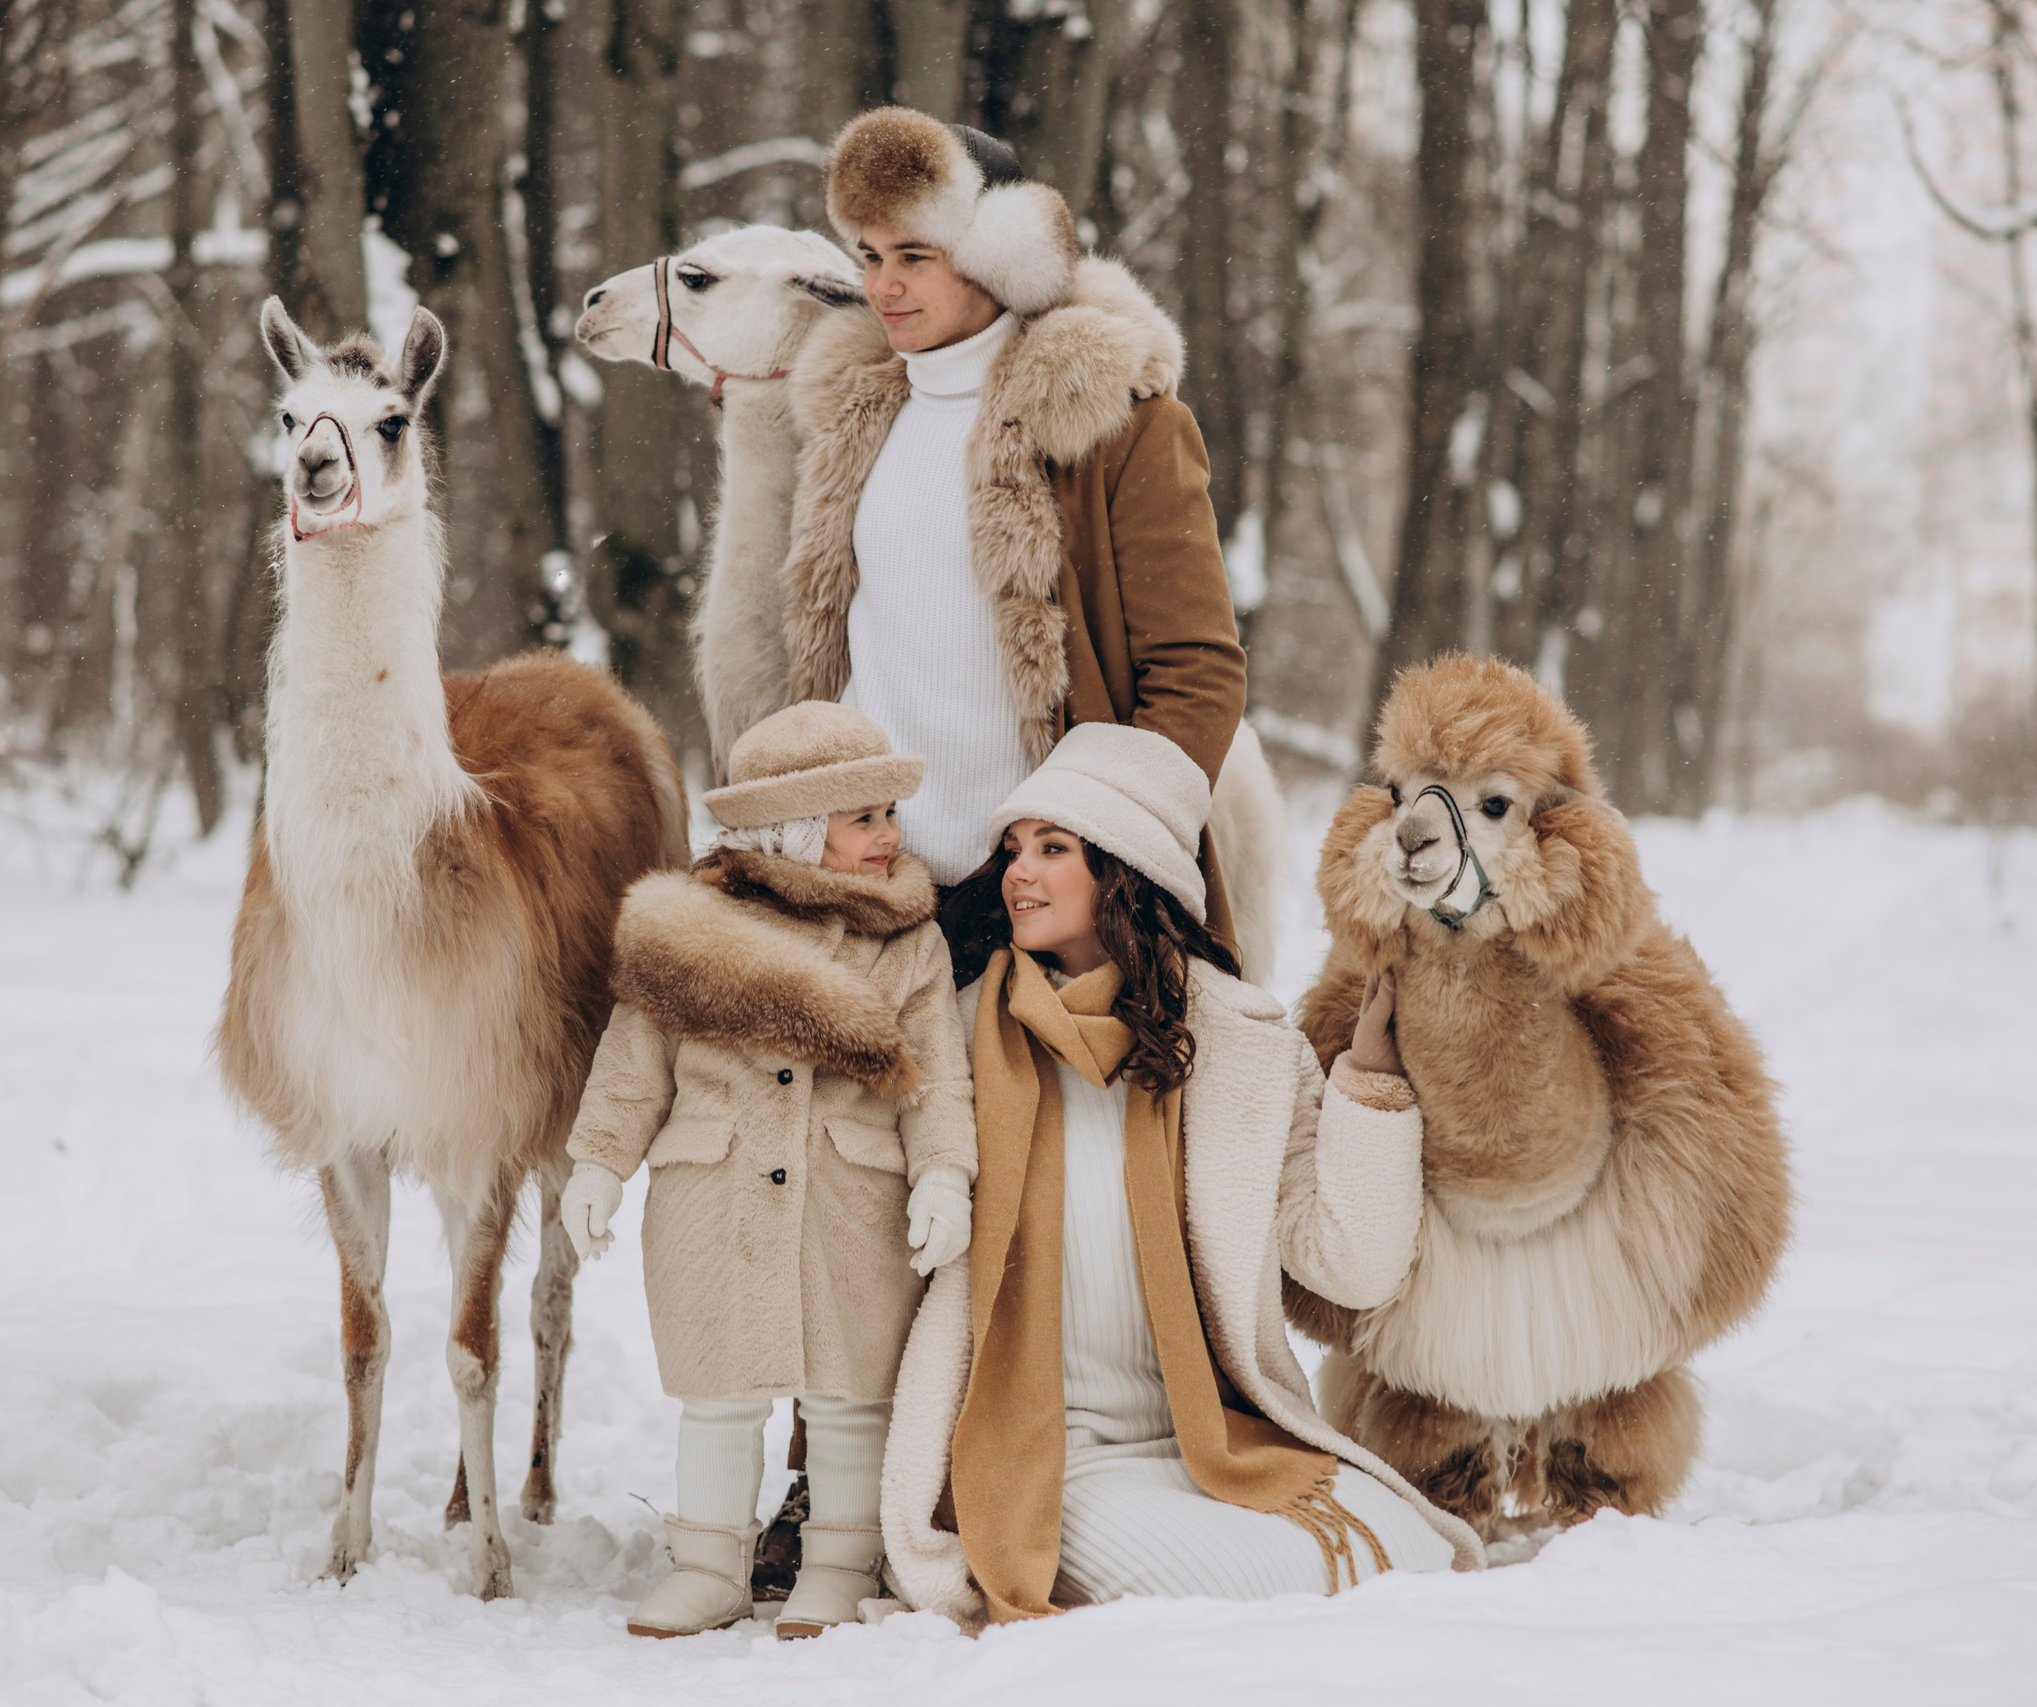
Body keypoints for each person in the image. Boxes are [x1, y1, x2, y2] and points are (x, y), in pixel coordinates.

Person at [876, 724, 1485, 1623]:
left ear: (1124, 868)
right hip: (1054, 1458)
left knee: (1413, 1555)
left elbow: (1352, 1264)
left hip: (1224, 1436)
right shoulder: (959, 1035)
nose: (1017, 873)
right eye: (1012, 849)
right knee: (1254, 1594)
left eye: (1052, 848)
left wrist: (1370, 1082)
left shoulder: (1242, 1043)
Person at [695, 106, 1256, 975]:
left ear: (1001, 257)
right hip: (872, 892)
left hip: (1043, 906)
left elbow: (1197, 670)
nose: (884, 286)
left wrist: (1098, 854)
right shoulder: (851, 420)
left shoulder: (1118, 425)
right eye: (869, 257)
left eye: (914, 257)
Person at [555, 702, 977, 1639]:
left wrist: (944, 1172)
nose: (889, 835)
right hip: (714, 1194)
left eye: (889, 814)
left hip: (849, 1199)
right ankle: (708, 1564)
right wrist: (597, 1163)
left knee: (849, 1397)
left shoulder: (906, 939)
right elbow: (634, 1063)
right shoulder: (690, 927)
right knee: (719, 1392)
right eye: (862, 817)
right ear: (793, 826)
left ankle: (840, 1563)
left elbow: (938, 1077)